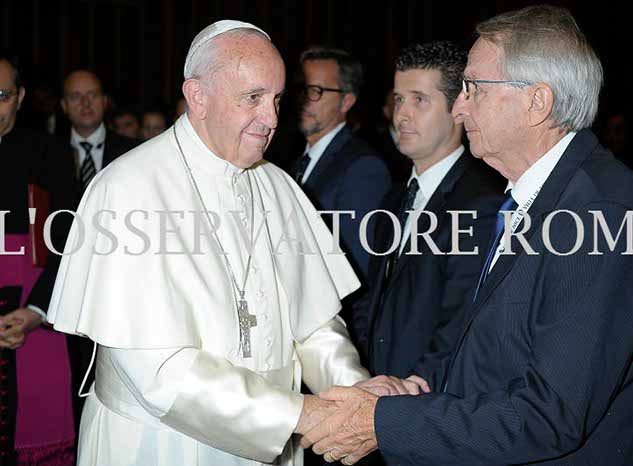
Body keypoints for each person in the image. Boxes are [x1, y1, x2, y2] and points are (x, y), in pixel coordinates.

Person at [300, 6, 633, 465]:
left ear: (537, 102)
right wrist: (408, 390)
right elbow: (491, 350)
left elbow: (548, 415)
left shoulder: (602, 213)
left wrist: (382, 422)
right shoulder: (535, 197)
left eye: (473, 88)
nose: (460, 106)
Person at [47, 20, 424, 466]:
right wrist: (308, 413)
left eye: (278, 99)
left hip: (275, 441)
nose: (272, 120)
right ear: (198, 95)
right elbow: (160, 374)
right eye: (253, 98)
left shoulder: (277, 186)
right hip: (158, 445)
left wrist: (355, 394)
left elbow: (316, 325)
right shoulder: (128, 190)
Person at [353, 41, 502, 377]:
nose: (401, 114)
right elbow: (371, 304)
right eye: (399, 99)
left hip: (424, 407)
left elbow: (460, 327)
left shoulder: (482, 204)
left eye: (419, 100)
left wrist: (408, 395)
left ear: (459, 109)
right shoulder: (392, 200)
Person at [0, 50, 79, 466]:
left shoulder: (50, 155)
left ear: (21, 96)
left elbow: (70, 244)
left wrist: (35, 310)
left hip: (34, 317)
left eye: (1, 94)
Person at [290, 47, 391, 296]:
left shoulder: (363, 168)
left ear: (347, 101)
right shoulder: (294, 164)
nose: (304, 99)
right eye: (301, 89)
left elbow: (357, 272)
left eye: (316, 91)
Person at [60, 70, 139, 193]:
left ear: (104, 101)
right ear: (64, 105)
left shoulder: (132, 151)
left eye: (92, 95)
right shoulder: (46, 154)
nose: (85, 103)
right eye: (76, 96)